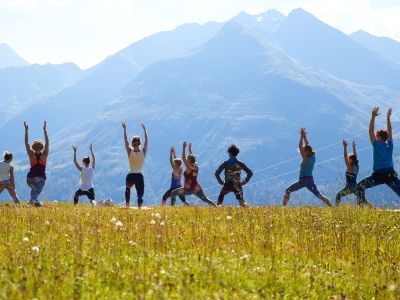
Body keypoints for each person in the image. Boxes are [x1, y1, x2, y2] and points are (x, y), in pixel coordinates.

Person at [356, 107, 400, 205]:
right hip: (390, 175)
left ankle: (361, 207)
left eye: (376, 136)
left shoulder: (376, 145)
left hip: (378, 175)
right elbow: (390, 132)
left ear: (379, 137)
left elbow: (370, 131)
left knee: (359, 187)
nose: (375, 137)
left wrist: (373, 117)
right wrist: (388, 118)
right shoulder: (390, 145)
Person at [282, 128, 332, 207]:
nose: (302, 152)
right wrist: (305, 137)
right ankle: (332, 207)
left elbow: (300, 146)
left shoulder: (305, 158)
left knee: (287, 190)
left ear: (306, 152)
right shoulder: (313, 156)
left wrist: (301, 136)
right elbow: (307, 146)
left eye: (304, 151)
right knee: (320, 195)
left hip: (302, 180)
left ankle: (283, 208)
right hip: (310, 180)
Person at [171, 142, 217, 207]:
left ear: (189, 160)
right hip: (197, 188)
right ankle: (216, 207)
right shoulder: (196, 166)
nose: (186, 159)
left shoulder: (189, 167)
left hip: (188, 189)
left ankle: (172, 207)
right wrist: (189, 150)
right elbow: (192, 158)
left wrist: (184, 148)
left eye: (188, 158)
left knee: (173, 193)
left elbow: (183, 158)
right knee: (206, 199)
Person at [122, 122, 148, 208]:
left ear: (132, 144)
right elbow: (146, 142)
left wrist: (124, 129)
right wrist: (144, 130)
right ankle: (140, 206)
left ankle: (127, 205)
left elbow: (126, 141)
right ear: (139, 144)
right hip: (140, 175)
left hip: (131, 175)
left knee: (128, 188)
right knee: (140, 193)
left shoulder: (130, 151)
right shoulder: (143, 152)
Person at [24, 121, 49, 206]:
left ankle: (34, 201)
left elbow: (26, 143)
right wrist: (45, 131)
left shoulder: (31, 155)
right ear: (42, 147)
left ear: (33, 147)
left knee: (34, 189)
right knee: (39, 184)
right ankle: (33, 202)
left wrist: (26, 130)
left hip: (29, 179)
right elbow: (47, 143)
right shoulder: (44, 155)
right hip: (39, 179)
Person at [336, 140, 359, 206]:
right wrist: (354, 147)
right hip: (355, 186)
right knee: (361, 197)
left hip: (349, 187)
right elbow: (355, 158)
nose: (348, 159)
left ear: (351, 160)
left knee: (338, 195)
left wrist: (345, 147)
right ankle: (370, 206)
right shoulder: (356, 166)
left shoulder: (349, 167)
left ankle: (336, 209)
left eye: (349, 159)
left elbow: (345, 157)